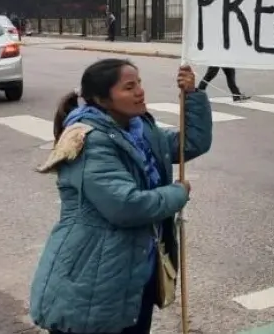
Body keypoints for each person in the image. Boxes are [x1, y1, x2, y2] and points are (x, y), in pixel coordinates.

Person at [30, 59, 214, 334]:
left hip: (133, 272)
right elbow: (126, 206)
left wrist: (192, 95)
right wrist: (178, 192)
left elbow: (191, 142)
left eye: (139, 83)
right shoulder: (89, 141)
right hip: (93, 278)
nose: (140, 91)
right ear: (102, 99)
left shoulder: (140, 130)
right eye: (129, 87)